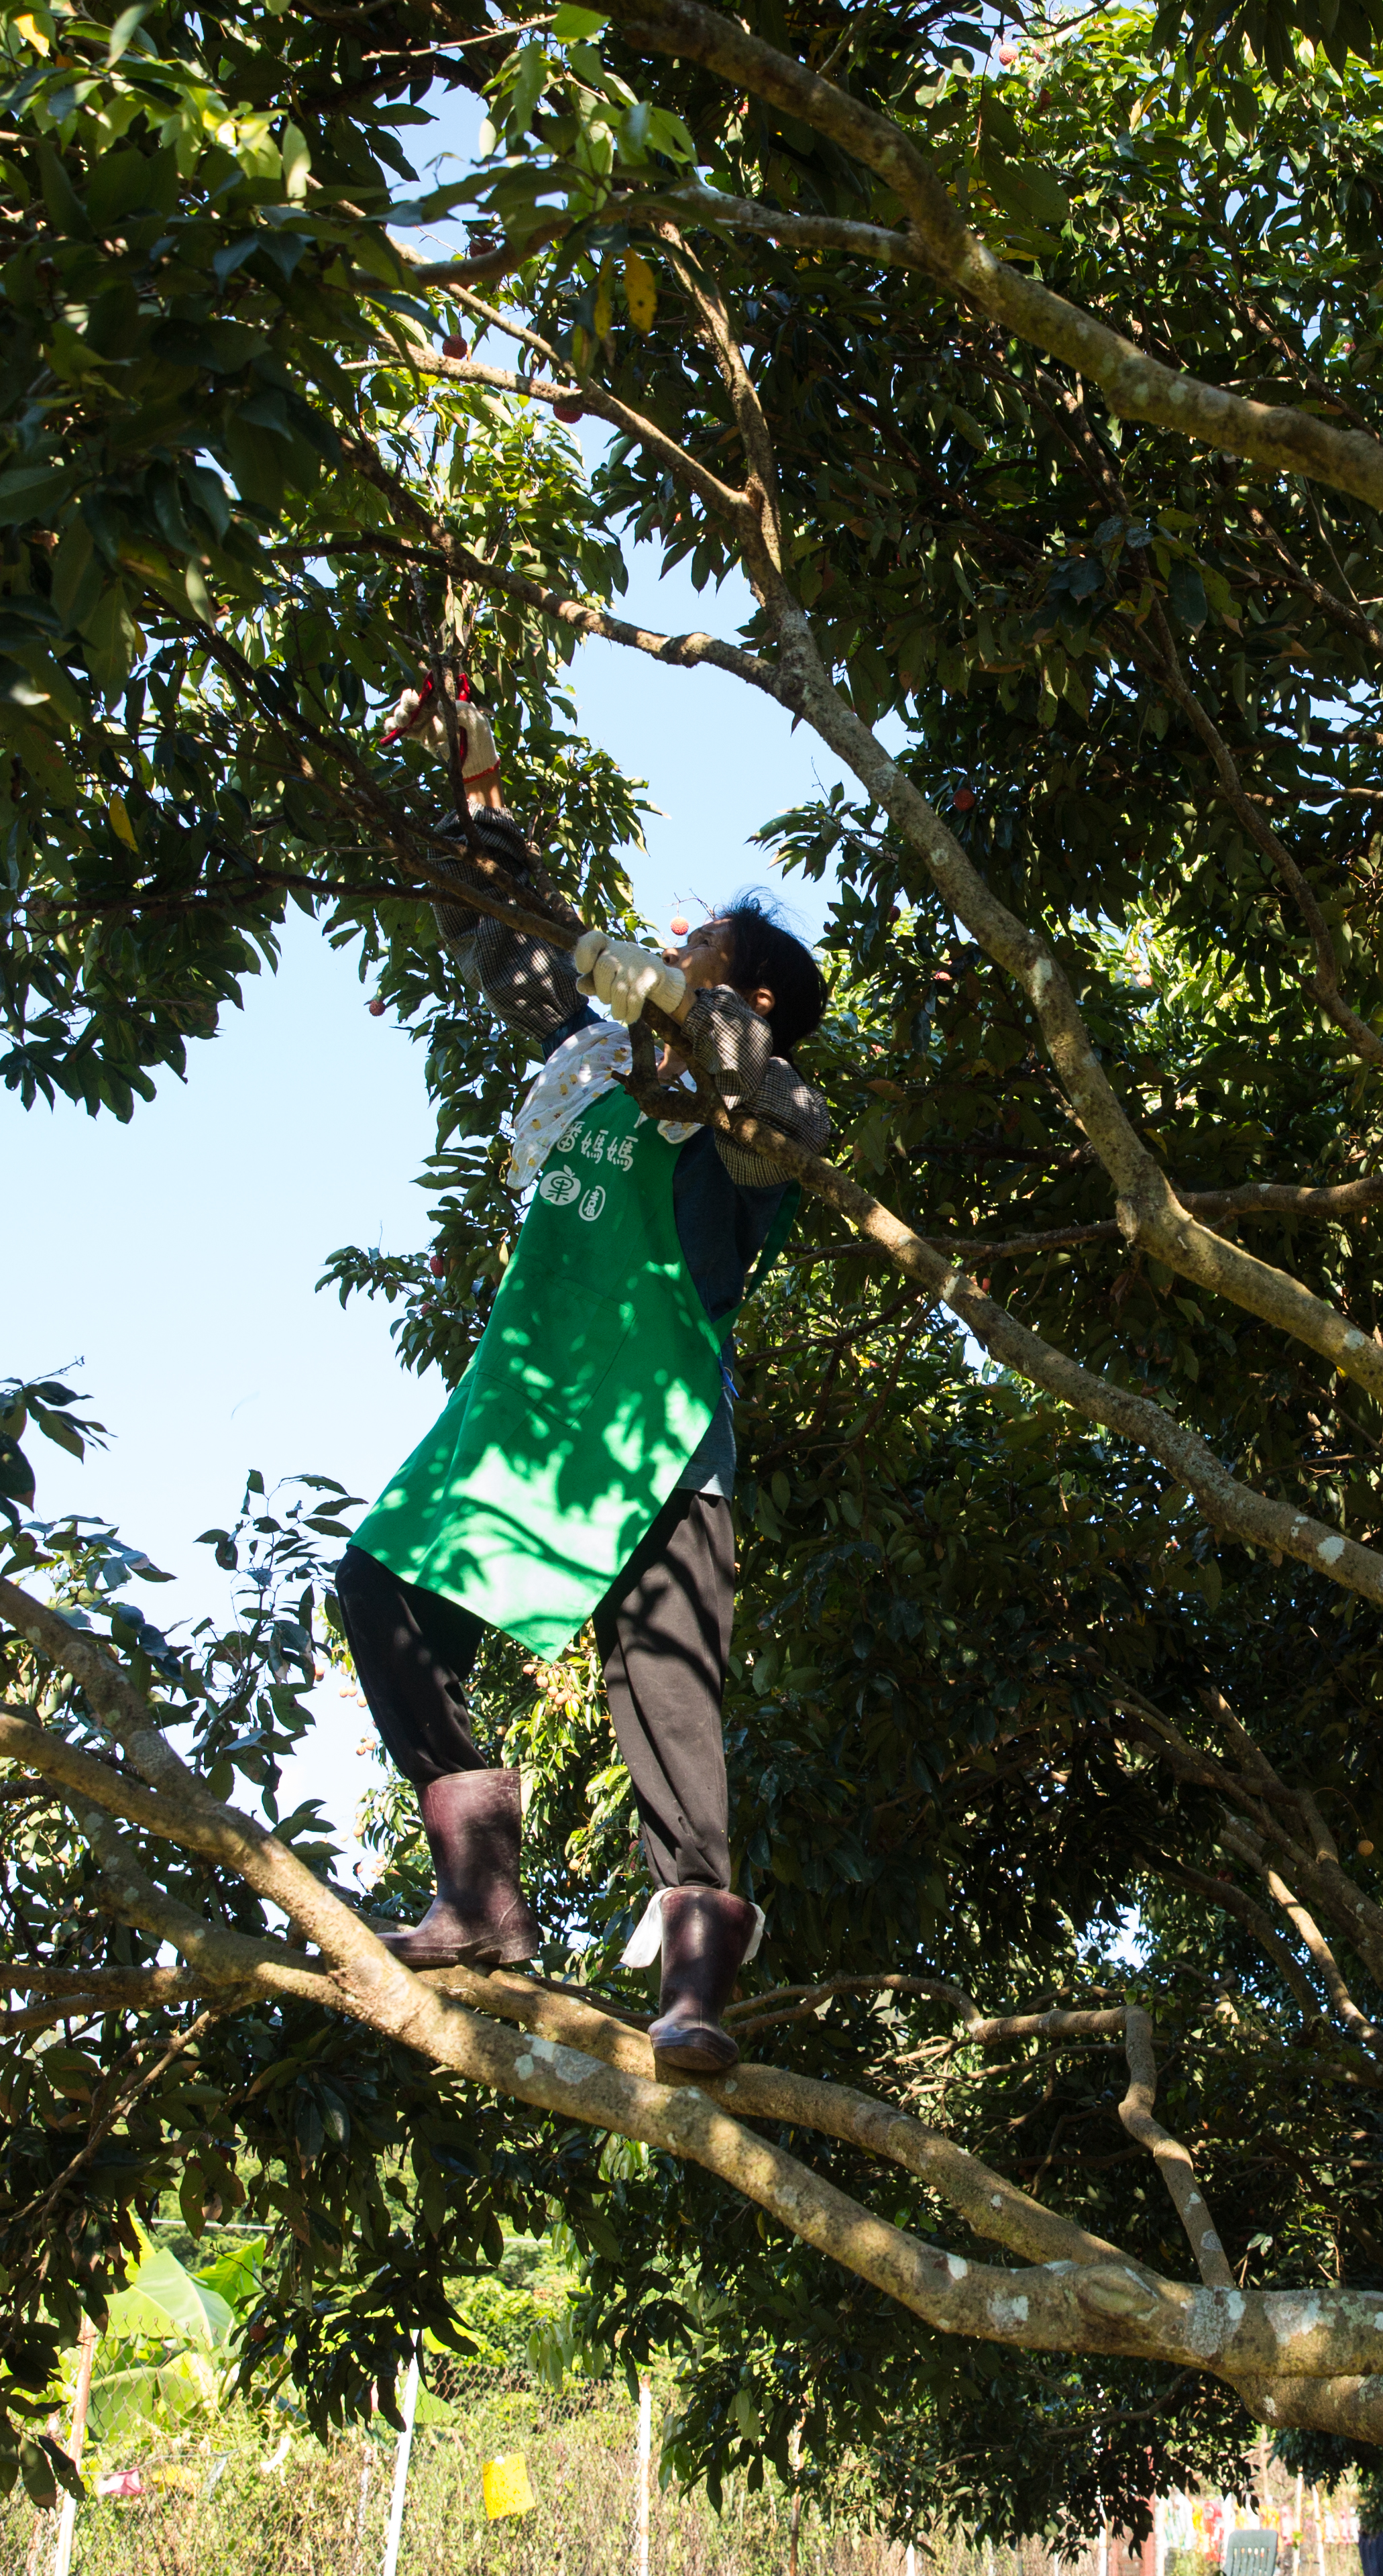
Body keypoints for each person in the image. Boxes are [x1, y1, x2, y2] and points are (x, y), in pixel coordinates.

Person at [331, 715, 831, 2077]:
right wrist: (476, 788)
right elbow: (512, 937)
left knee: (663, 1700)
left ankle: (691, 1990)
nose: (668, 965)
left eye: (700, 963)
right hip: (531, 1422)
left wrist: (692, 1004)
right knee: (380, 1594)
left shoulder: (752, 1136)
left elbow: (767, 1096)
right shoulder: (595, 1076)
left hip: (663, 1436)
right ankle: (482, 1896)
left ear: (754, 1007)